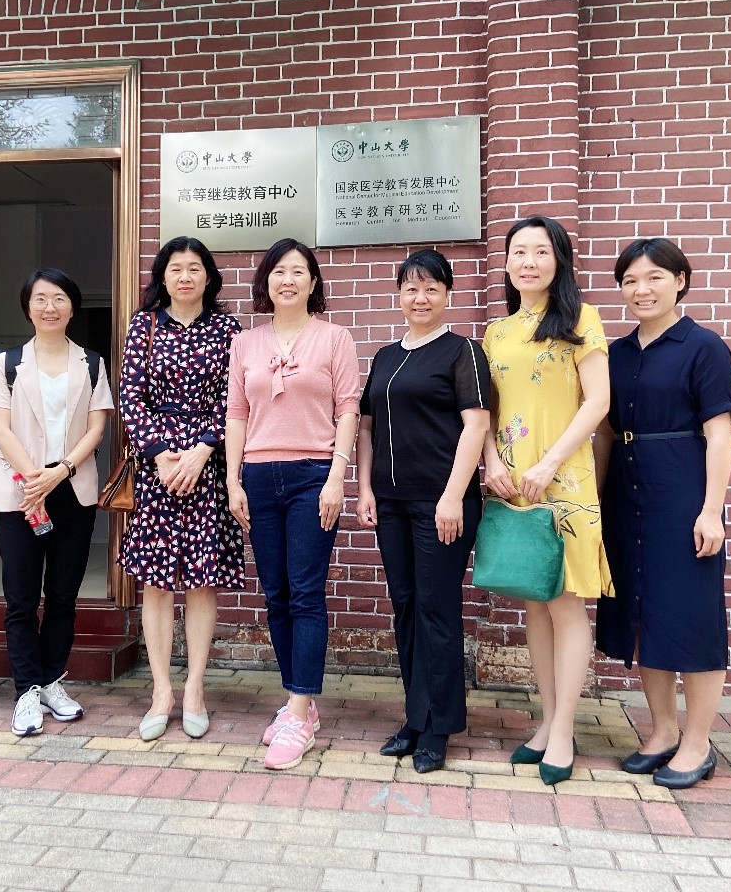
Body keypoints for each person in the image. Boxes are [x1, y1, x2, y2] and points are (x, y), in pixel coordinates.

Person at [593, 238, 731, 790]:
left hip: (682, 494)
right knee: (642, 613)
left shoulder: (704, 347)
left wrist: (711, 511)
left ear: (680, 280)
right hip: (625, 495)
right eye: (630, 280)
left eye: (654, 277)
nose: (641, 290)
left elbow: (719, 436)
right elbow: (605, 435)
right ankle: (662, 732)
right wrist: (595, 503)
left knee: (691, 616)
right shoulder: (618, 354)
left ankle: (698, 743)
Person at [481, 216, 612, 786]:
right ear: (507, 263)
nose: (528, 261)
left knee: (565, 602)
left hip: (564, 478)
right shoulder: (496, 332)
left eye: (540, 251)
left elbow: (598, 401)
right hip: (513, 480)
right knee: (534, 601)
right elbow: (484, 411)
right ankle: (547, 720)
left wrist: (551, 462)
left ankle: (563, 730)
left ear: (559, 261)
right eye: (519, 252)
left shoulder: (581, 320)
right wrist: (492, 461)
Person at [226, 238, 360, 770]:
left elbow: (348, 409)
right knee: (276, 594)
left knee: (305, 593)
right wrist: (233, 480)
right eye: (279, 271)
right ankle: (296, 701)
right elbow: (237, 412)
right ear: (266, 281)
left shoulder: (335, 338)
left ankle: (300, 712)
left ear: (313, 282)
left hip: (312, 476)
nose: (288, 280)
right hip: (258, 477)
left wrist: (337, 477)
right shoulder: (246, 342)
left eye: (299, 271)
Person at [356, 248, 491, 774]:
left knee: (437, 610)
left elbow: (476, 425)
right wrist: (365, 489)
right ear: (399, 295)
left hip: (442, 504)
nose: (421, 297)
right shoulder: (386, 356)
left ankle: (439, 727)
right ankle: (415, 717)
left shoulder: (463, 352)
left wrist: (454, 495)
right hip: (391, 503)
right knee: (407, 607)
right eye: (411, 288)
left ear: (447, 295)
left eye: (432, 288)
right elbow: (367, 427)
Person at [118, 237, 245, 741]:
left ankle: (194, 689)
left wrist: (203, 449)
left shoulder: (228, 330)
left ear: (208, 276)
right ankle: (161, 691)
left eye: (195, 268)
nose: (186, 276)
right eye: (176, 268)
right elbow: (131, 396)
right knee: (156, 582)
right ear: (163, 276)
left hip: (207, 466)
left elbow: (236, 398)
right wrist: (159, 453)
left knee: (201, 580)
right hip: (158, 470)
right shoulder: (144, 325)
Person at [0, 268, 115, 737]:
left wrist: (60, 471)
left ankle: (52, 680)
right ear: (28, 306)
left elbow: (97, 428)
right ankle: (26, 690)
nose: (49, 307)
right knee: (21, 598)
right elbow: (0, 427)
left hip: (72, 490)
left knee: (63, 595)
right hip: (19, 492)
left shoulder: (92, 363)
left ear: (72, 307)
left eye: (59, 298)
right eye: (40, 298)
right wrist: (33, 479)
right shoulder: (7, 363)